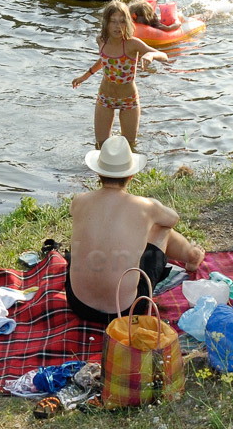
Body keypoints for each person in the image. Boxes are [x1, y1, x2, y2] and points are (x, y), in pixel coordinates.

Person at [65, 136, 204, 327]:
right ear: (131, 176)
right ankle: (191, 256)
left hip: (78, 304)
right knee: (161, 228)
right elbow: (172, 219)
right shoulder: (145, 206)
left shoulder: (79, 200)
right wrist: (150, 209)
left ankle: (191, 254)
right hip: (125, 311)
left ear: (98, 173)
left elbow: (77, 213)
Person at [72, 0, 166, 148]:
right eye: (113, 21)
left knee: (129, 146)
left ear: (127, 22)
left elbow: (163, 55)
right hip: (105, 98)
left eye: (122, 21)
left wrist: (150, 56)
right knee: (100, 145)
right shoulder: (101, 40)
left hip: (128, 100)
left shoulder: (132, 43)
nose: (117, 26)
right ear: (106, 23)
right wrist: (84, 77)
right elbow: (105, 61)